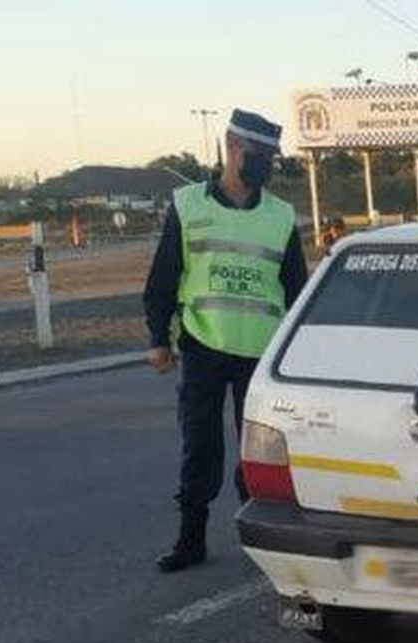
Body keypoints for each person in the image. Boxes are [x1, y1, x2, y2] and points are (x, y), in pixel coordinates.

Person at [144, 109, 307, 572]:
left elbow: (296, 289)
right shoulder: (188, 205)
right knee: (200, 448)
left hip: (262, 354)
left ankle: (260, 541)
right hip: (203, 345)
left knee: (257, 452)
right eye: (261, 155)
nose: (268, 166)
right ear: (233, 148)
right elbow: (163, 279)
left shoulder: (279, 216)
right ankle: (190, 540)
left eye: (272, 158)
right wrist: (159, 338)